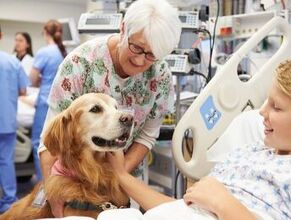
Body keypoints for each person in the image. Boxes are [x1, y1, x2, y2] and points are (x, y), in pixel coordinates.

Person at [105, 59, 291, 220]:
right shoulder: (251, 153)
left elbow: (211, 202)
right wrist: (121, 177)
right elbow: (184, 208)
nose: (262, 112)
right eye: (266, 101)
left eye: (276, 107)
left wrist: (222, 202)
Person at [38, 0, 181, 217]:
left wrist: (118, 175)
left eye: (152, 55)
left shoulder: (160, 76)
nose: (141, 61)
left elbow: (147, 136)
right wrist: (55, 200)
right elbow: (51, 138)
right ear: (123, 28)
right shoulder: (79, 64)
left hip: (123, 182)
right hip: (72, 181)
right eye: (137, 47)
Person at [30, 19, 67, 182]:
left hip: (45, 102)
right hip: (62, 104)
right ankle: (56, 182)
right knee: (57, 147)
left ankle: (43, 186)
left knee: (40, 145)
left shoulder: (44, 52)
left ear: (45, 32)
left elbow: (31, 79)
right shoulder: (63, 52)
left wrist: (40, 81)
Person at [0, 25, 29, 213]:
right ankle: (9, 201)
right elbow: (23, 91)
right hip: (6, 121)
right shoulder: (12, 62)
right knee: (5, 161)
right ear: (1, 35)